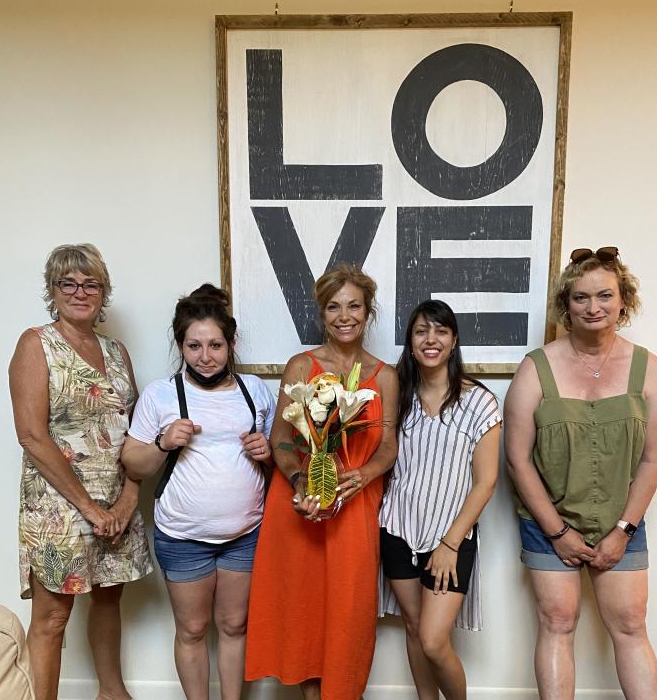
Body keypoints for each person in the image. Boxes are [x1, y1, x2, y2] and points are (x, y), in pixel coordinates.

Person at [504, 247, 657, 700]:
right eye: (580, 298)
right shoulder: (536, 368)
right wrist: (558, 532)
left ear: (623, 301)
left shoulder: (649, 369)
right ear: (566, 304)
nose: (592, 307)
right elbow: (518, 460)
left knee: (630, 624)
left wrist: (623, 529)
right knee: (558, 621)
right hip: (547, 521)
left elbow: (652, 460)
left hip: (622, 518)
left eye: (604, 296)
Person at [245, 264, 399, 700]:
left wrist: (363, 475)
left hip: (355, 507)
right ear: (322, 313)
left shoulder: (384, 374)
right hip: (299, 510)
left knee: (348, 618)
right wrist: (299, 482)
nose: (344, 315)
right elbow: (280, 439)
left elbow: (388, 446)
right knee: (306, 617)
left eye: (354, 305)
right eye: (334, 306)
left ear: (368, 312)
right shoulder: (301, 366)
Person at [9, 243, 153, 700]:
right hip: (59, 507)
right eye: (68, 283)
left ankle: (112, 692)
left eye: (91, 283)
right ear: (52, 290)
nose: (79, 291)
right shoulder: (36, 344)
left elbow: (137, 431)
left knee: (109, 598)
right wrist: (89, 508)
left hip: (114, 503)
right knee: (52, 618)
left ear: (104, 291)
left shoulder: (117, 352)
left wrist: (127, 501)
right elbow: (32, 436)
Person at [121, 283, 275, 700]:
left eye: (215, 345)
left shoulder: (256, 390)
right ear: (180, 345)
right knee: (191, 630)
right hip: (183, 536)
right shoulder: (160, 394)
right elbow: (133, 464)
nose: (205, 357)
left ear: (231, 344)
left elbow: (286, 459)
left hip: (244, 535)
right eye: (194, 346)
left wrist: (268, 451)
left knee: (234, 626)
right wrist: (162, 442)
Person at [379, 300, 501, 700]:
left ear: (454, 341)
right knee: (414, 629)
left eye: (440, 331)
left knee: (433, 639)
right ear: (410, 342)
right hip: (398, 527)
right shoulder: (396, 397)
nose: (430, 339)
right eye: (420, 331)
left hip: (451, 535)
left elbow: (486, 482)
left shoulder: (479, 401)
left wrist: (450, 544)